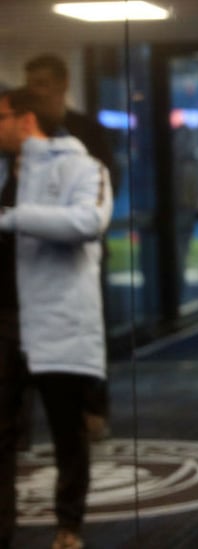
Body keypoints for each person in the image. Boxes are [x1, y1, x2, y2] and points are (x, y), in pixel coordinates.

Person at [0, 87, 112, 549]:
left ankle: (69, 527)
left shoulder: (83, 167)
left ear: (25, 121)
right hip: (6, 323)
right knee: (2, 436)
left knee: (68, 433)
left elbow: (88, 222)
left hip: (59, 322)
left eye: (1, 117)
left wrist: (10, 217)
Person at [25, 53, 115, 443]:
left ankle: (93, 410)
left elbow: (98, 201)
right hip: (31, 263)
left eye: (42, 83)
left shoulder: (86, 132)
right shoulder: (22, 137)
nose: (35, 92)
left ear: (62, 83)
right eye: (31, 84)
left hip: (80, 260)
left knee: (86, 341)